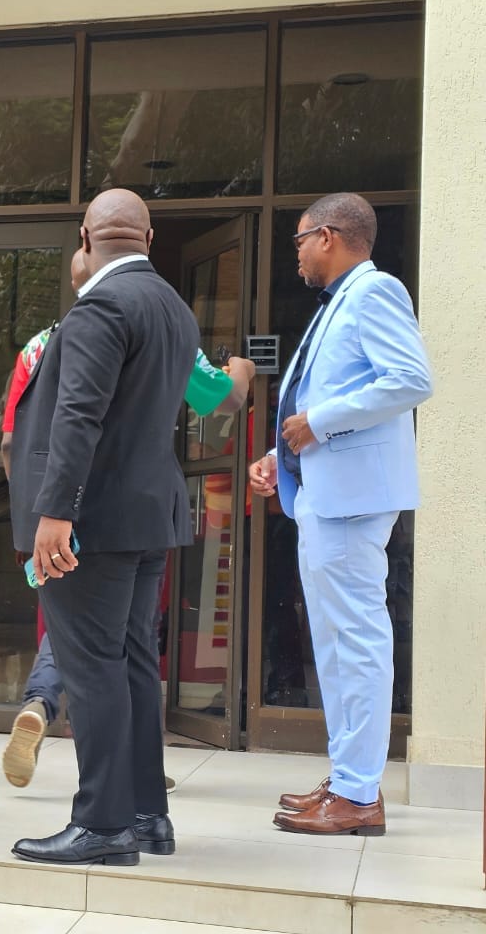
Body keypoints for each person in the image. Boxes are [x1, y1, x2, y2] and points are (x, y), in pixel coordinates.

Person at [0, 246, 256, 791]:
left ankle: (49, 714)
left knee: (79, 640)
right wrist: (243, 372)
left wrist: (38, 511)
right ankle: (139, 793)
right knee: (127, 648)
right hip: (140, 513)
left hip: (66, 512)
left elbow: (14, 439)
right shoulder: (168, 325)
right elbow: (220, 399)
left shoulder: (41, 345)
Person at [8, 189, 199, 867]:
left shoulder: (100, 307)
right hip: (147, 518)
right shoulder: (174, 308)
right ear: (149, 238)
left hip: (92, 523)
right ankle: (147, 815)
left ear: (86, 238)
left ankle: (103, 824)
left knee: (91, 669)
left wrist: (54, 513)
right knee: (134, 665)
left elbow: (79, 416)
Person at [249, 193, 431, 837]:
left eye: (299, 240)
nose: (296, 253)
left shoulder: (375, 292)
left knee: (354, 642)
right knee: (335, 645)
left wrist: (318, 424)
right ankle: (349, 778)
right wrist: (281, 455)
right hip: (328, 498)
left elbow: (410, 379)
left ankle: (358, 794)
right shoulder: (340, 302)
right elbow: (325, 398)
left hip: (353, 503)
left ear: (327, 236)